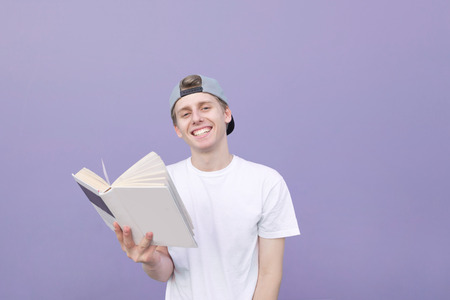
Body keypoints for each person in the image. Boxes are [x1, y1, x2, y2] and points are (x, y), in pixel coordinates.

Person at [113, 75, 300, 300]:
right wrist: (150, 259)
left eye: (205, 107)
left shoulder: (267, 182)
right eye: (185, 114)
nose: (196, 118)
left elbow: (270, 274)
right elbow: (164, 271)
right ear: (177, 129)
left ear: (226, 114)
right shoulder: (162, 182)